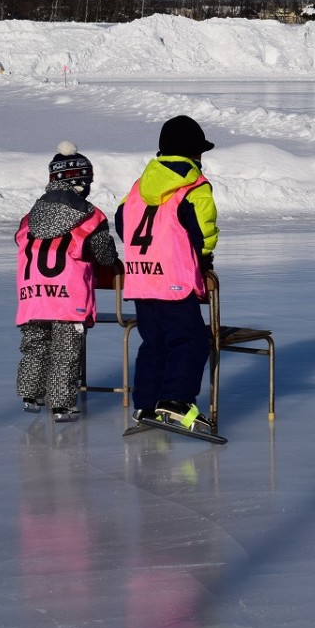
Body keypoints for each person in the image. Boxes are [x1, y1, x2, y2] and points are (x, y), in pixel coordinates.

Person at [116, 115, 219, 429]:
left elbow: (123, 223)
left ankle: (147, 405)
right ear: (192, 153)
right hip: (174, 280)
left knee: (154, 342)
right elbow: (203, 232)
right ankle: (175, 401)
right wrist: (200, 259)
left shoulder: (137, 187)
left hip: (140, 278)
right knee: (190, 340)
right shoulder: (194, 185)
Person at [15, 141, 119, 422]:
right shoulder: (91, 216)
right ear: (82, 182)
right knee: (65, 350)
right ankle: (61, 405)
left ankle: (30, 393)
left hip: (32, 295)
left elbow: (20, 241)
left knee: (35, 343)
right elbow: (105, 255)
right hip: (67, 297)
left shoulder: (29, 218)